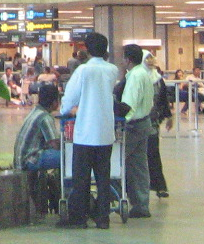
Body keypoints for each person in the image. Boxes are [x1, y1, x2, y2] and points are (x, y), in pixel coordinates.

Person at [57, 32, 120, 229]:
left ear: (88, 49)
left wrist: (63, 110)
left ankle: (79, 218)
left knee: (81, 179)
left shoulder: (83, 71)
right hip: (105, 131)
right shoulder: (112, 70)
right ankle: (103, 218)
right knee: (103, 177)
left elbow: (71, 97)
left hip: (85, 132)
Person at [118, 44, 159, 218]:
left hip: (133, 127)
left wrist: (121, 123)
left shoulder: (134, 76)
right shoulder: (145, 74)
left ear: (127, 59)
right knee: (139, 166)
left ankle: (124, 200)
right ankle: (141, 204)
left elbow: (129, 105)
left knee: (120, 163)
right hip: (145, 123)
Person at [12, 82, 63, 218]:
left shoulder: (35, 111)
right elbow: (55, 144)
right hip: (31, 159)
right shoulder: (45, 117)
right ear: (54, 102)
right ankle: (66, 197)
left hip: (22, 158)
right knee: (68, 158)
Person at [147, 72, 172, 198]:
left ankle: (160, 186)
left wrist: (168, 116)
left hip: (152, 123)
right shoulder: (132, 76)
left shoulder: (157, 80)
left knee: (153, 154)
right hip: (136, 122)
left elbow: (163, 100)